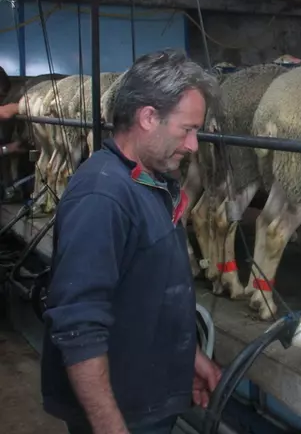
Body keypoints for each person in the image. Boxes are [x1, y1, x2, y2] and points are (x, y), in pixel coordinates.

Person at [41, 49, 223, 434]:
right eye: (186, 130)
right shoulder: (103, 197)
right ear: (148, 117)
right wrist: (110, 427)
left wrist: (189, 356)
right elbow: (78, 326)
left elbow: (147, 293)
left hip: (147, 401)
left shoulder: (147, 182)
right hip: (121, 415)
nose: (193, 145)